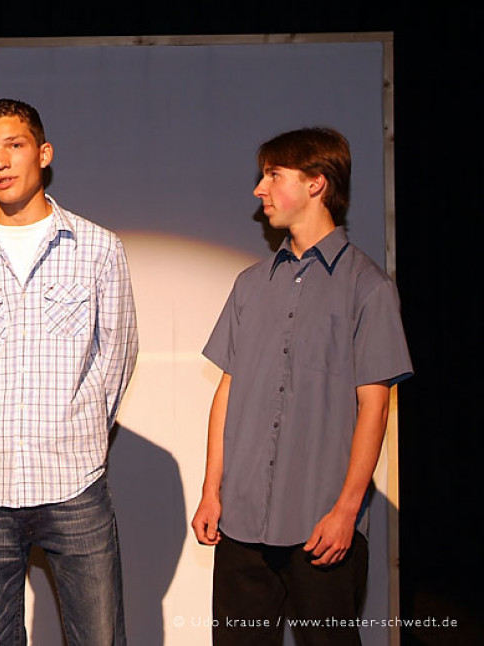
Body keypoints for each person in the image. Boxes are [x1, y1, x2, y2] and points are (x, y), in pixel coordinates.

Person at [191, 127, 412, 645]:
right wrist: (210, 492)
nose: (259, 189)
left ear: (316, 183)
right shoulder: (250, 285)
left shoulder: (368, 288)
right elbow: (227, 392)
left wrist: (346, 511)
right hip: (241, 523)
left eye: (273, 175)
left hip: (322, 525)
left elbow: (375, 408)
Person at [0, 99, 138, 645]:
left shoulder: (98, 249)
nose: (0, 162)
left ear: (43, 154)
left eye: (14, 146)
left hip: (73, 481)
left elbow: (117, 356)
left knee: (99, 637)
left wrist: (81, 430)